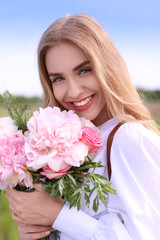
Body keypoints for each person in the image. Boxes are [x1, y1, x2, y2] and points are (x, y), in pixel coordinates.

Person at [6, 14, 160, 240]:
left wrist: (59, 216)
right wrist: (43, 229)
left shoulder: (129, 138)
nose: (74, 91)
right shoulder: (69, 148)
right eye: (58, 79)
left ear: (107, 68)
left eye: (84, 70)